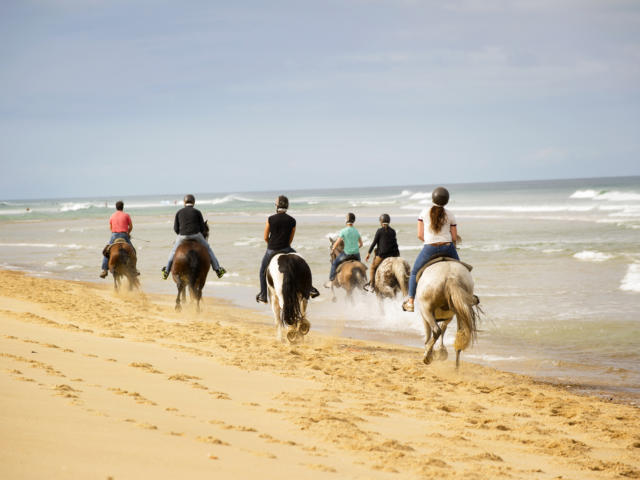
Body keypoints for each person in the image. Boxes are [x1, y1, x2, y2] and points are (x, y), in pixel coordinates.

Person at [402, 186, 459, 312]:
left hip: (430, 248)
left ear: (433, 198)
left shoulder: (423, 213)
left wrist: (430, 241)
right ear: (447, 200)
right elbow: (454, 237)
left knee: (414, 273)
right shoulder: (450, 214)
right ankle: (469, 296)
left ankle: (411, 301)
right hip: (448, 247)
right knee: (462, 270)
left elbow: (420, 235)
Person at [255, 195, 319, 303]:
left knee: (262, 271)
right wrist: (285, 246)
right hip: (287, 248)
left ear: (277, 206)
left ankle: (263, 295)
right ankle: (310, 288)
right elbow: (290, 239)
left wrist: (271, 244)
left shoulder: (270, 219)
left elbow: (265, 237)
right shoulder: (292, 220)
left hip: (272, 249)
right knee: (303, 265)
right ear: (287, 206)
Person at [161, 194, 226, 280]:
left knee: (173, 251)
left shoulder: (179, 212)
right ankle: (218, 270)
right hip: (196, 235)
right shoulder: (197, 212)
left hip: (182, 236)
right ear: (194, 202)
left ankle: (166, 272)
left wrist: (181, 234)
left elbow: (176, 229)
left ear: (184, 202)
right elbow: (203, 228)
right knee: (208, 249)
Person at [364, 213, 400, 291]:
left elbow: (374, 243)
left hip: (382, 256)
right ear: (389, 221)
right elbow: (395, 244)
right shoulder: (393, 231)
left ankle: (372, 286)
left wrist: (368, 253)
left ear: (381, 222)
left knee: (372, 268)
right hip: (393, 255)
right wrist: (398, 256)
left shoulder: (379, 231)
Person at [100, 200, 135, 278]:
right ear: (123, 207)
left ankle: (104, 270)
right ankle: (134, 269)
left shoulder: (112, 215)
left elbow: (111, 227)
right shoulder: (126, 215)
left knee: (107, 252)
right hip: (124, 235)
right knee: (132, 250)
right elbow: (131, 227)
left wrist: (115, 233)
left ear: (116, 207)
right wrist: (128, 233)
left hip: (114, 235)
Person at [326, 212, 363, 286]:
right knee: (361, 267)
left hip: (347, 254)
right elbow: (361, 244)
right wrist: (355, 248)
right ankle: (364, 282)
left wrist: (333, 248)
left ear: (346, 220)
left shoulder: (343, 231)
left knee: (335, 263)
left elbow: (337, 242)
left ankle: (331, 280)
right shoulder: (356, 231)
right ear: (353, 221)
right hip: (356, 255)